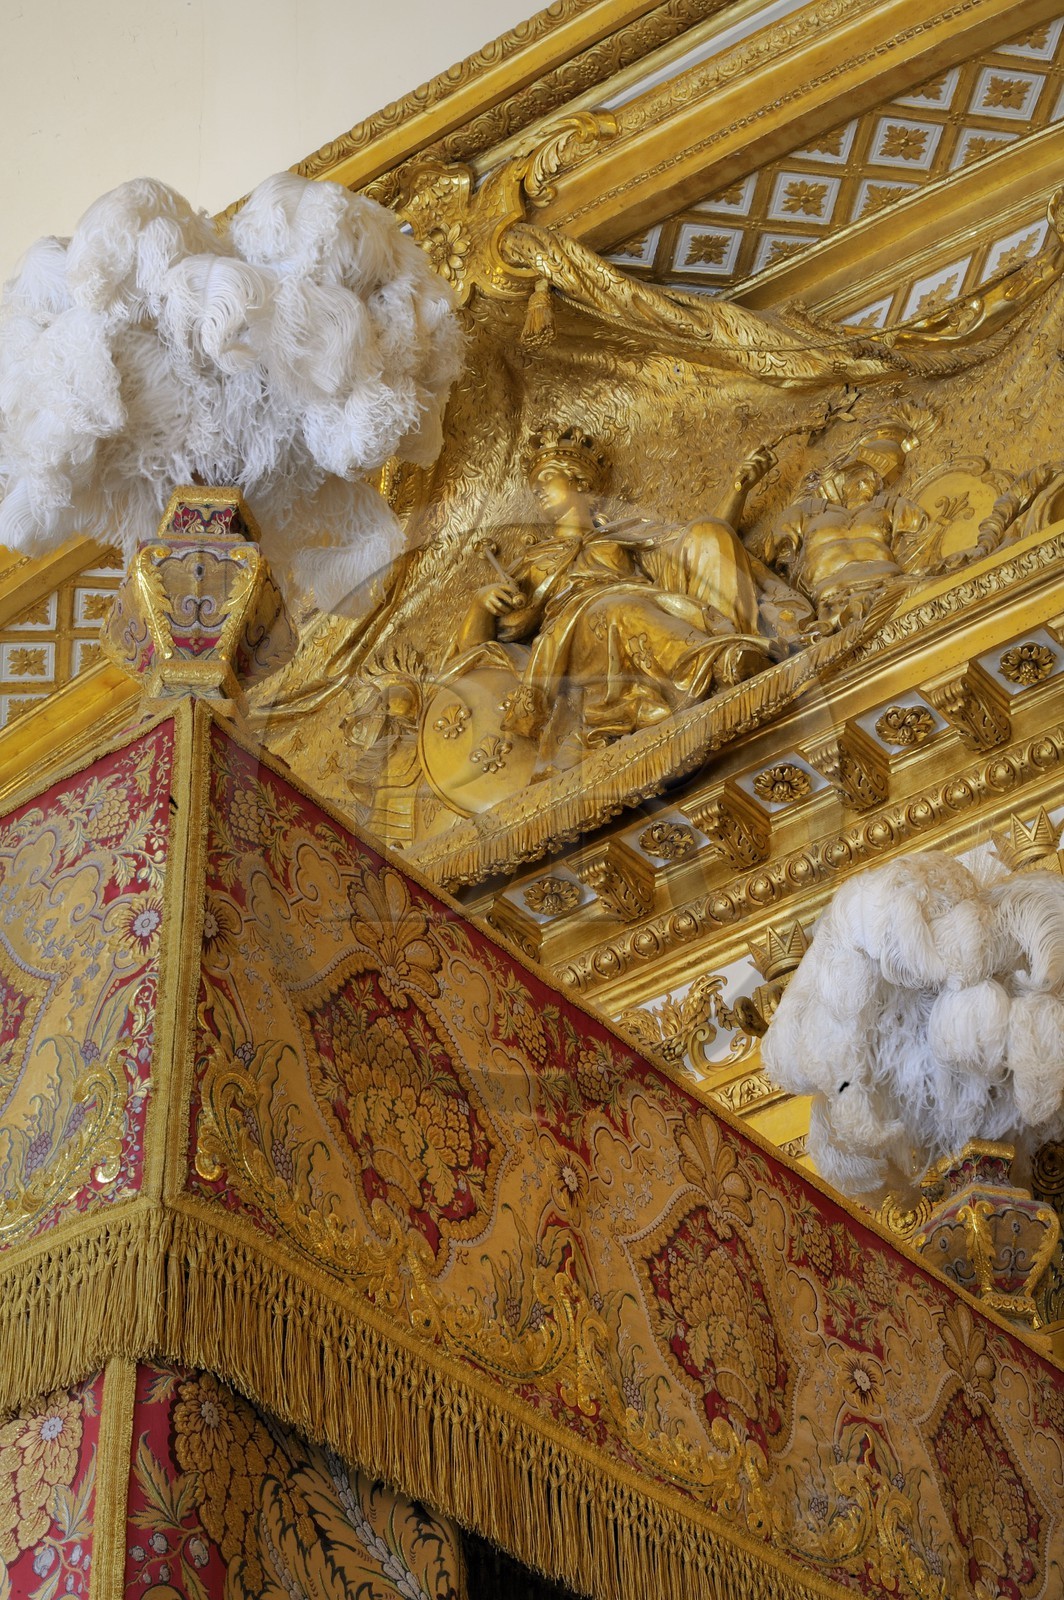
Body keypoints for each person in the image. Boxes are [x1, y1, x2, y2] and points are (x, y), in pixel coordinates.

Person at [449, 427, 776, 764]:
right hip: (576, 638)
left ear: (578, 482)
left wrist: (739, 489)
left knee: (707, 531)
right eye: (535, 487)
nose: (538, 490)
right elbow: (475, 656)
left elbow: (695, 553)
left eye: (547, 478)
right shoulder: (532, 563)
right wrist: (481, 603)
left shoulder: (622, 536)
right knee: (617, 608)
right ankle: (720, 664)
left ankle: (737, 649)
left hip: (645, 605)